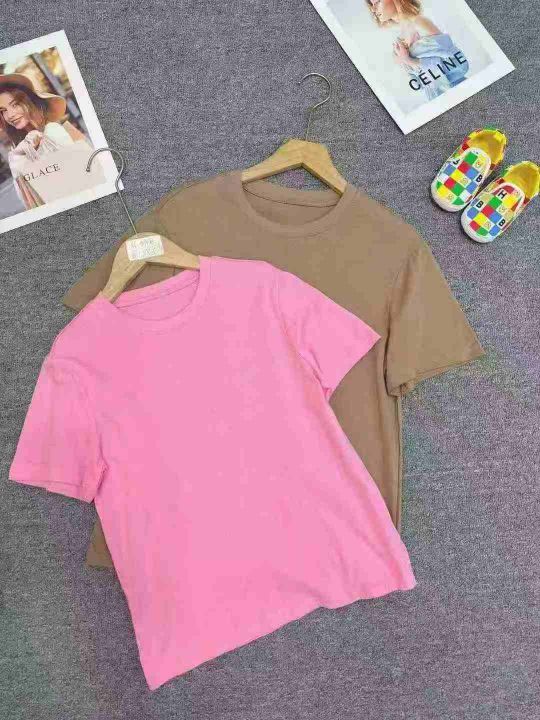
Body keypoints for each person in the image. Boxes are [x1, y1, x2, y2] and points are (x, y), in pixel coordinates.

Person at [366, 0, 469, 101]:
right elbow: (419, 86)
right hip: (437, 103)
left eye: (377, 2)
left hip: (461, 95)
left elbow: (460, 64)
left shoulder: (420, 23)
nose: (373, 9)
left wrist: (410, 61)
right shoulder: (399, 40)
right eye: (372, 4)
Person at [0, 73, 74, 209]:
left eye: (15, 104)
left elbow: (75, 176)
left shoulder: (52, 131)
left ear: (29, 102)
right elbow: (27, 199)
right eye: (3, 110)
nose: (10, 115)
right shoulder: (17, 149)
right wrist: (17, 156)